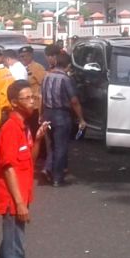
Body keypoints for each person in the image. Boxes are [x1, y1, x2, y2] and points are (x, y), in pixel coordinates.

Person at [0, 80, 50, 258]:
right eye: (27, 98)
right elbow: (8, 168)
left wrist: (38, 139)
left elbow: (29, 161)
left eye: (33, 96)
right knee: (15, 252)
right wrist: (19, 203)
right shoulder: (10, 129)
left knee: (11, 245)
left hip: (20, 196)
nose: (32, 101)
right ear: (14, 102)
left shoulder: (23, 127)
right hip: (12, 200)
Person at [40, 51, 86, 187]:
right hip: (61, 115)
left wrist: (41, 115)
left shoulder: (46, 76)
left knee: (52, 145)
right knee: (61, 146)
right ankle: (57, 177)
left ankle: (47, 168)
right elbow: (74, 101)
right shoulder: (66, 79)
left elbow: (42, 97)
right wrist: (81, 118)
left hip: (48, 114)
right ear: (67, 66)